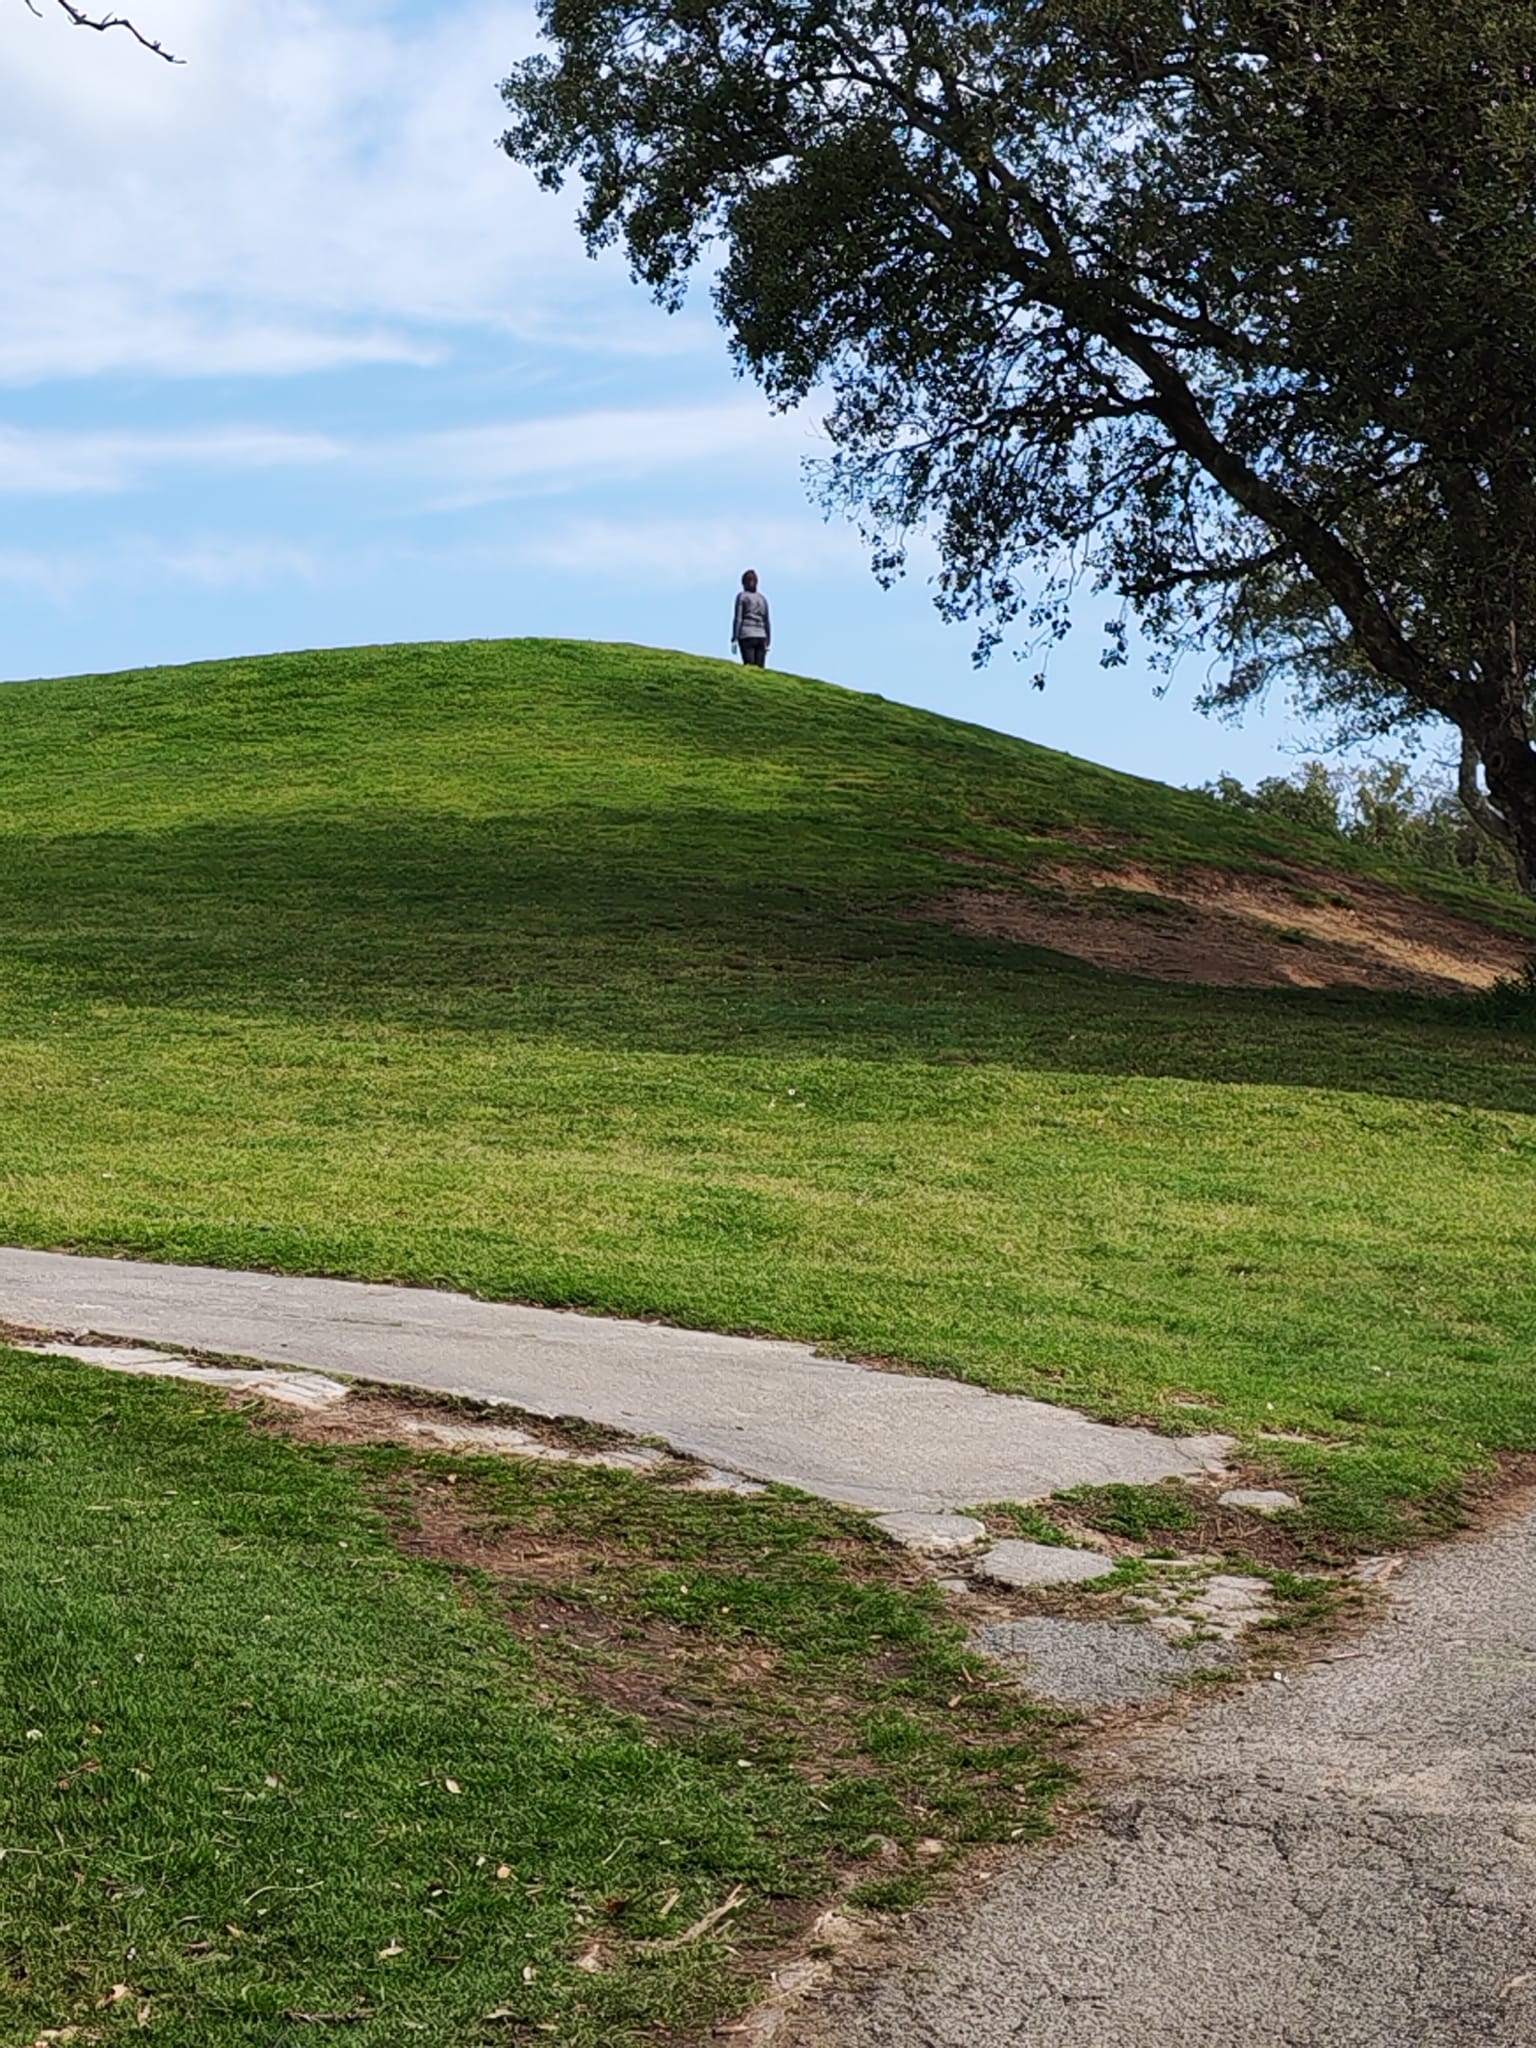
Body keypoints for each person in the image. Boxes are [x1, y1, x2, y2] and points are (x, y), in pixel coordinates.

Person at [731, 569, 771, 666]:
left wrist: (735, 637)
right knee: (760, 668)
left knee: (749, 665)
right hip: (761, 636)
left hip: (746, 634)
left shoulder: (742, 597)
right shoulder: (763, 599)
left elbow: (738, 618)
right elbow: (767, 621)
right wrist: (768, 640)